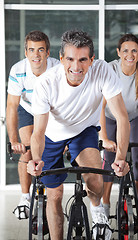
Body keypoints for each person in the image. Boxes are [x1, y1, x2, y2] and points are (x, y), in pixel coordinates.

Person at [27, 29, 130, 240]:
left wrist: (120, 158)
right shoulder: (46, 83)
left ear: (92, 60)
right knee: (54, 195)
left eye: (83, 59)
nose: (76, 67)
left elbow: (122, 118)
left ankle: (97, 212)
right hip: (52, 135)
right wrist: (36, 160)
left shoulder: (102, 71)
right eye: (71, 59)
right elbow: (38, 131)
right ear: (62, 59)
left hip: (84, 130)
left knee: (93, 176)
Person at [100, 33, 138, 225]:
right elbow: (99, 106)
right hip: (111, 115)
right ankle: (105, 203)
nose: (130, 54)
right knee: (109, 156)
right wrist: (104, 137)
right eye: (125, 50)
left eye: (134, 50)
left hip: (137, 116)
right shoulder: (110, 69)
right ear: (118, 52)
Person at [6, 30, 59, 219]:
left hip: (52, 110)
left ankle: (52, 193)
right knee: (27, 150)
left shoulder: (57, 69)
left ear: (48, 52)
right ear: (26, 52)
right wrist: (14, 141)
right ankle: (25, 197)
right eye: (32, 50)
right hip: (27, 109)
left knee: (49, 149)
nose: (36, 55)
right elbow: (11, 107)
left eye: (40, 50)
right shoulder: (17, 70)